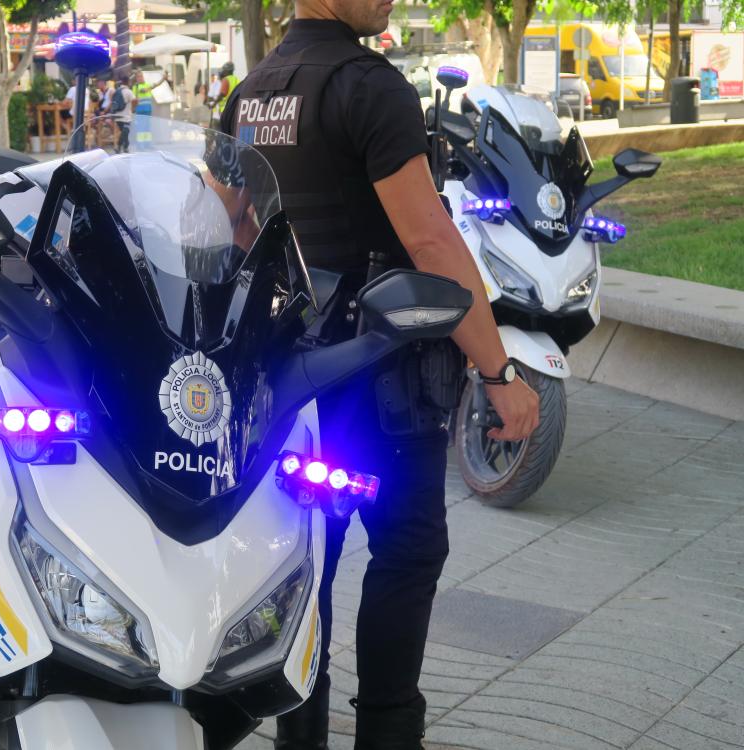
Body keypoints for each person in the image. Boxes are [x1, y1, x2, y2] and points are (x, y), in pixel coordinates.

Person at [220, 2, 540, 748]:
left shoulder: (256, 88)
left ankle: (301, 737)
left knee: (308, 561)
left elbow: (228, 227)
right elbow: (430, 240)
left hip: (288, 378)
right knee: (407, 546)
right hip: (380, 379)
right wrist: (498, 372)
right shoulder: (372, 88)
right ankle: (389, 735)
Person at [113, 74, 134, 154]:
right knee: (125, 132)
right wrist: (133, 108)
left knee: (124, 132)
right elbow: (134, 100)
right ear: (128, 82)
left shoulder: (117, 91)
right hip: (126, 117)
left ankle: (125, 147)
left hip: (117, 116)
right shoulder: (128, 92)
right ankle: (119, 146)